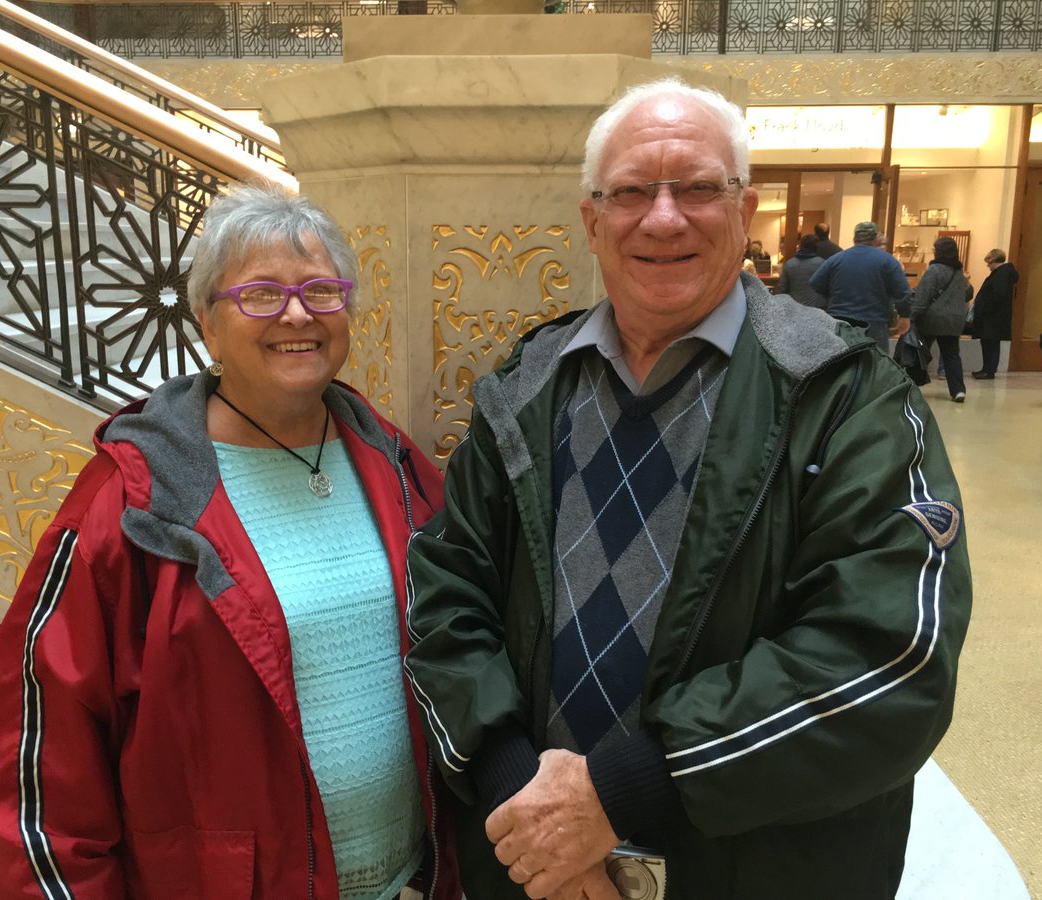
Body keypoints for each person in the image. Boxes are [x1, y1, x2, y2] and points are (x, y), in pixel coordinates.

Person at [404, 78, 971, 900]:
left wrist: (620, 793)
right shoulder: (523, 389)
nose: (663, 217)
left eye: (698, 188)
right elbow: (447, 595)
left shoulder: (847, 394)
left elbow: (890, 655)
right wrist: (521, 797)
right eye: (631, 191)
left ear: (743, 212)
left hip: (758, 871)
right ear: (592, 222)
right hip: (539, 869)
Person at [0, 183, 460, 899]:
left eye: (322, 291)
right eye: (260, 294)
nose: (297, 314)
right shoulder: (130, 502)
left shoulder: (393, 462)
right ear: (206, 320)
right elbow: (38, 770)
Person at [809, 220, 912, 352]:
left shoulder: (837, 259)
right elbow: (903, 292)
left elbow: (815, 282)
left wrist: (833, 295)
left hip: (840, 320)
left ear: (854, 238)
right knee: (875, 365)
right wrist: (904, 315)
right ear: (876, 239)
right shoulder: (888, 261)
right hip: (874, 322)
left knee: (843, 363)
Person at [911, 236, 974, 402]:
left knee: (921, 353)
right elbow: (968, 292)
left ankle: (912, 385)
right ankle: (958, 390)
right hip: (954, 320)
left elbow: (923, 295)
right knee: (952, 355)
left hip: (931, 320)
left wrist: (913, 315)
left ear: (938, 252)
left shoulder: (934, 270)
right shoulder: (959, 272)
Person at [970, 248, 1018, 379]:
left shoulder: (1001, 275)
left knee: (990, 344)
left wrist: (985, 309)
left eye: (989, 263)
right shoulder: (1003, 273)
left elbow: (997, 295)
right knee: (990, 343)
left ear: (994, 260)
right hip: (994, 317)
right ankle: (987, 369)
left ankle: (989, 370)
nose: (988, 266)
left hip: (992, 317)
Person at [775, 233, 826, 309]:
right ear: (816, 247)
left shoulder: (790, 264)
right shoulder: (823, 264)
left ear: (800, 246)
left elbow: (782, 289)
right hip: (818, 307)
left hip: (795, 307)